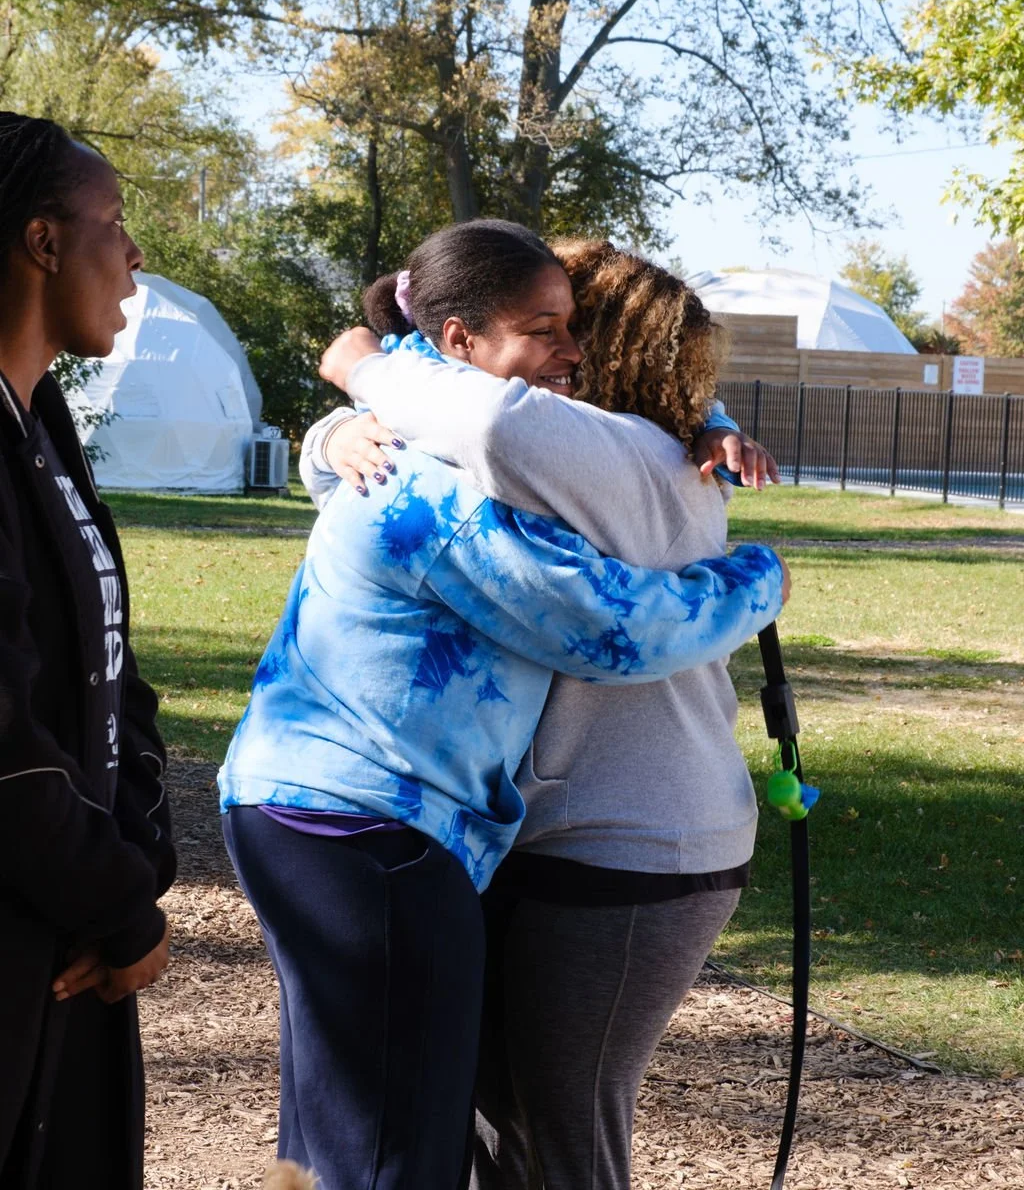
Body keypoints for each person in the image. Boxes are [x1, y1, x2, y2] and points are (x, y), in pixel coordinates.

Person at [220, 220, 787, 1190]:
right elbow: (603, 610)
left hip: (596, 830)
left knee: (503, 1130)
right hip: (435, 819)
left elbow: (503, 444)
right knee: (453, 1126)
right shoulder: (488, 463)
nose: (562, 353)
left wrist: (358, 379)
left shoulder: (573, 448)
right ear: (463, 346)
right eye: (543, 328)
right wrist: (342, 419)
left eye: (575, 330)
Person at [0, 113, 175, 1190]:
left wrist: (134, 860)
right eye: (112, 222)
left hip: (64, 934)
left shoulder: (40, 419)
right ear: (42, 241)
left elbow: (109, 662)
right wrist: (114, 905)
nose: (135, 252)